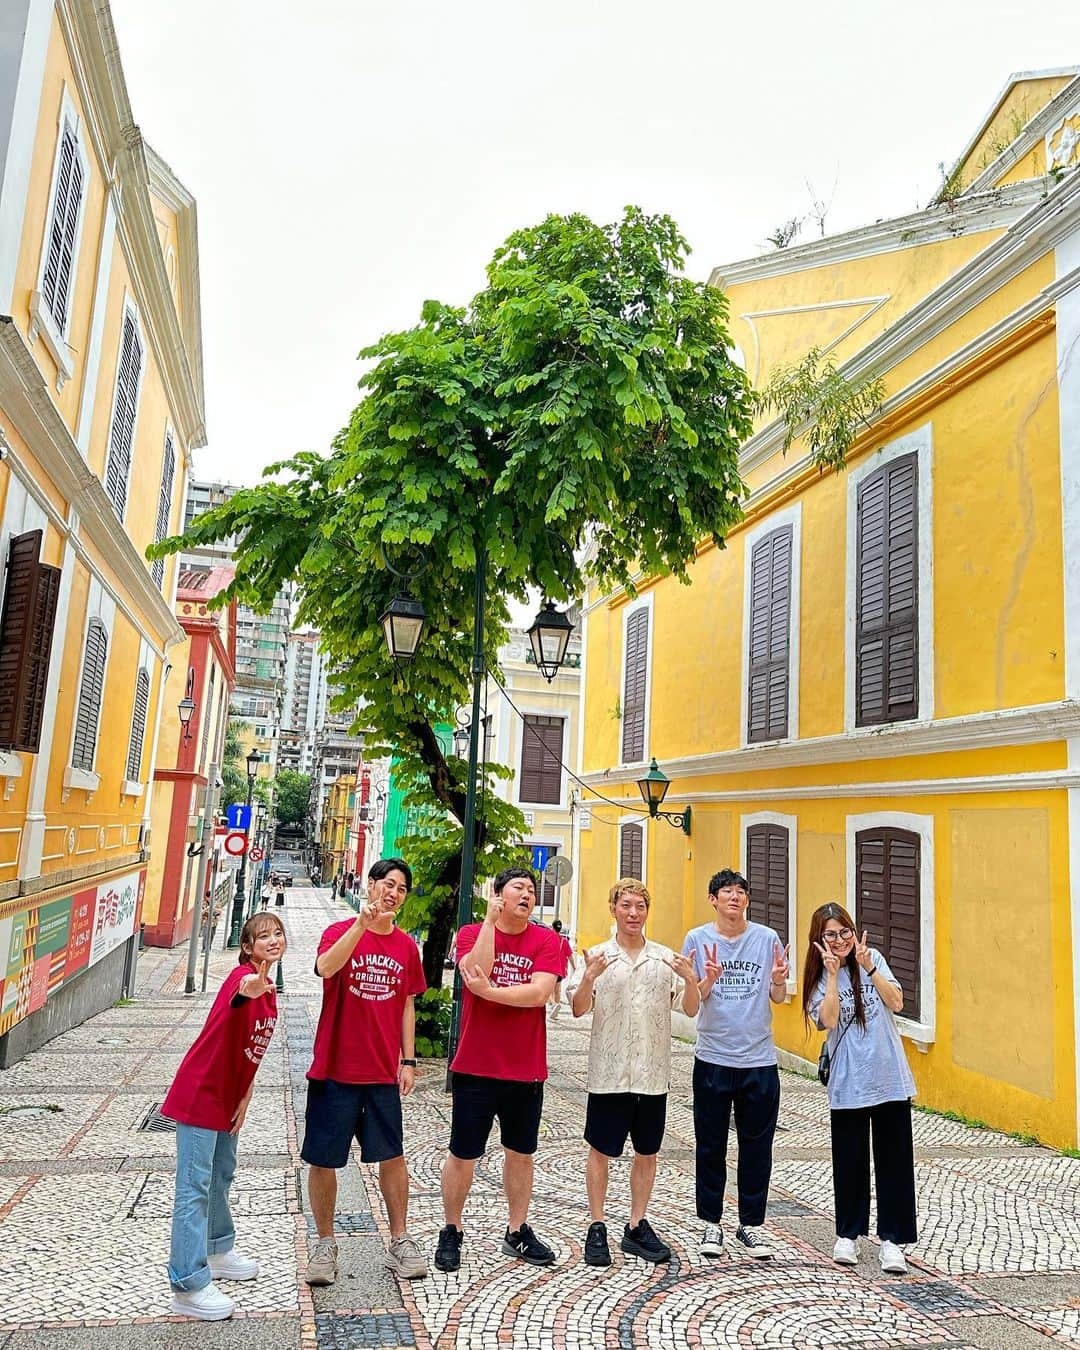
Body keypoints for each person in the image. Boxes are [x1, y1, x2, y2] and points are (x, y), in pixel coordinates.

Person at [302, 858, 428, 1285]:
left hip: (380, 1074)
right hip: (334, 1069)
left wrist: (407, 1060)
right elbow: (325, 968)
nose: (393, 893)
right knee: (324, 1160)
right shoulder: (339, 932)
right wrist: (361, 925)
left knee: (392, 1157)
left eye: (401, 889)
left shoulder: (407, 947)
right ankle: (324, 1243)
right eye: (387, 884)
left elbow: (408, 1002)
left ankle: (400, 1239)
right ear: (370, 885)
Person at [434, 867, 564, 1273]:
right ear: (498, 895)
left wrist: (491, 993)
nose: (527, 894)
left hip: (525, 1069)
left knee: (521, 1154)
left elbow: (540, 993)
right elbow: (476, 969)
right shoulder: (473, 932)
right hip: (476, 1065)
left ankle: (517, 1229)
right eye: (518, 889)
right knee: (463, 1153)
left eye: (531, 889)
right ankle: (451, 1229)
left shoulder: (548, 940)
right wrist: (490, 922)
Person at [568, 878, 701, 1266]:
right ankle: (597, 1225)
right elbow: (578, 1009)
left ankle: (637, 1224)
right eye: (625, 905)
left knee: (647, 1152)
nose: (632, 913)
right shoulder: (597, 956)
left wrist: (692, 980)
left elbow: (690, 1009)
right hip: (608, 1074)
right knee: (600, 1151)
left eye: (639, 906)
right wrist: (589, 977)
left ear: (647, 911)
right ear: (613, 908)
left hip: (652, 1075)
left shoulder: (663, 959)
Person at [162, 911, 286, 1320]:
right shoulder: (244, 982)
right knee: (193, 1187)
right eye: (263, 936)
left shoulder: (269, 990)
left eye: (278, 933)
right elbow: (240, 993)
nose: (273, 939)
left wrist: (246, 1097)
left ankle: (217, 1248)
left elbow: (250, 1050)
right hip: (200, 1095)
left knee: (220, 1176)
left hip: (227, 1099)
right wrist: (250, 984)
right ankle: (187, 1283)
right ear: (247, 948)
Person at [803, 902, 917, 1275]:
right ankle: (848, 1235)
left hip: (889, 1077)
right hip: (849, 1081)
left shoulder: (874, 959)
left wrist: (868, 965)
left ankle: (892, 1241)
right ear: (818, 939)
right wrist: (834, 976)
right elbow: (829, 1019)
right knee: (850, 1161)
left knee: (894, 1162)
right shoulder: (818, 978)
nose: (839, 940)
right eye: (830, 935)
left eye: (844, 932)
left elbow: (897, 1001)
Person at [682, 868, 790, 1260]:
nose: (734, 897)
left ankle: (752, 1224)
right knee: (711, 1145)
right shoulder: (697, 939)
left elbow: (777, 997)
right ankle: (711, 1224)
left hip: (759, 1059)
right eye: (726, 892)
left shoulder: (766, 939)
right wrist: (706, 981)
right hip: (712, 1056)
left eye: (741, 891)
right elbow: (690, 1005)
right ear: (712, 899)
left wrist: (778, 980)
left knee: (757, 1146)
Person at [549, 918, 575, 1020]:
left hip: (550, 968)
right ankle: (556, 1008)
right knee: (557, 990)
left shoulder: (549, 938)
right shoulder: (564, 941)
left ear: (552, 927)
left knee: (549, 991)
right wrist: (574, 966)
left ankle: (554, 1004)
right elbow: (570, 955)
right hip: (560, 968)